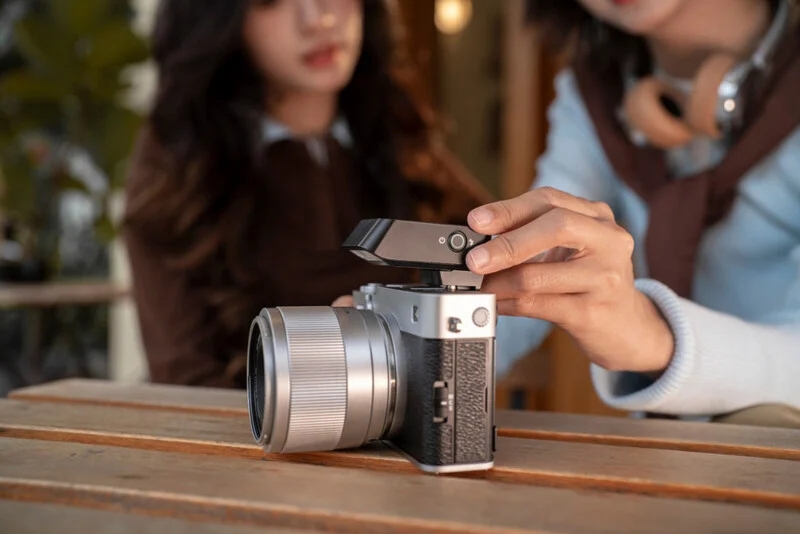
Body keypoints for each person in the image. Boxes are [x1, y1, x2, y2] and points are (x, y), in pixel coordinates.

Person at [122, 0, 493, 389]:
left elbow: (496, 253)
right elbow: (185, 377)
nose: (319, 18)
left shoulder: (395, 130)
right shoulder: (179, 162)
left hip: (408, 418)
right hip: (246, 423)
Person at [469, 0, 800, 426]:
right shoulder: (594, 95)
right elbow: (523, 281)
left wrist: (657, 337)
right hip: (668, 452)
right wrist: (405, 362)